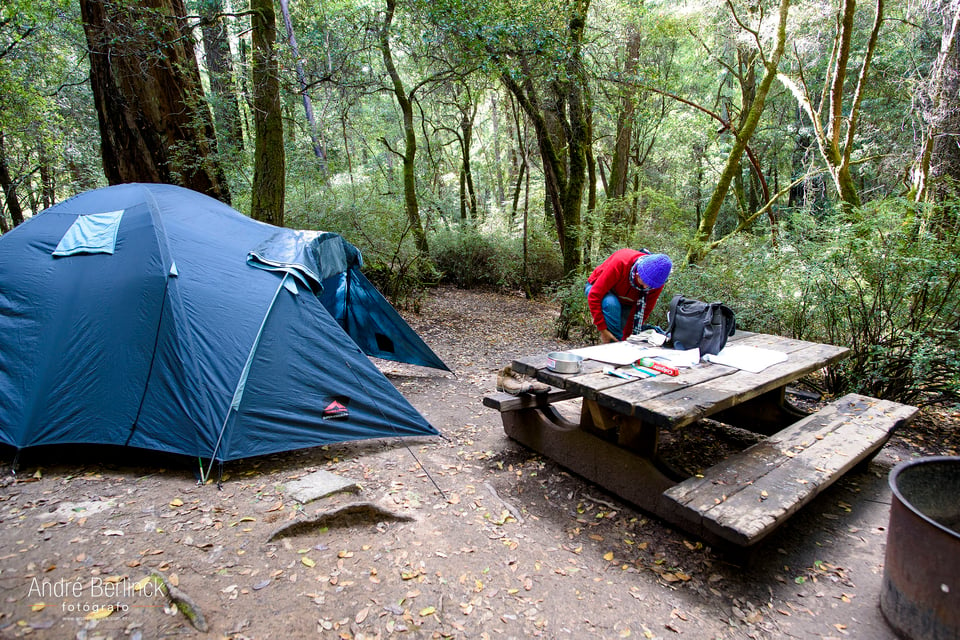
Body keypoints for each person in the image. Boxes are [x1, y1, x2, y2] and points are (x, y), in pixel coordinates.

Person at [585, 249, 672, 343]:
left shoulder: (656, 283)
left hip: (626, 300)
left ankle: (618, 347)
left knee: (623, 330)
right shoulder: (621, 262)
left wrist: (628, 338)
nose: (646, 287)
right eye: (643, 281)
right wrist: (603, 329)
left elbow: (643, 312)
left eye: (650, 286)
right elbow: (594, 295)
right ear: (638, 272)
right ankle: (614, 347)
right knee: (611, 304)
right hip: (597, 289)